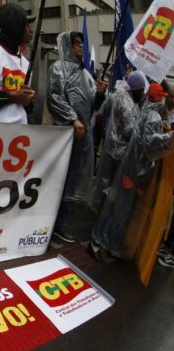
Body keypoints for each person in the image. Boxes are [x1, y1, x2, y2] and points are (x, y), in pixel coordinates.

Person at [91, 82, 173, 262]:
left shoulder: (145, 110)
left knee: (119, 207)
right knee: (119, 209)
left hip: (131, 168)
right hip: (134, 170)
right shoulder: (153, 116)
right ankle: (100, 242)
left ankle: (108, 242)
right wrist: (169, 137)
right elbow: (150, 144)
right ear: (158, 99)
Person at [47, 31, 108, 243]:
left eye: (82, 43)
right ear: (68, 46)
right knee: (59, 180)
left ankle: (61, 224)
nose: (81, 47)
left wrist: (99, 94)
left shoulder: (86, 75)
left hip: (83, 137)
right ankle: (49, 225)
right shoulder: (57, 69)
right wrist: (73, 119)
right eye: (77, 44)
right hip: (66, 134)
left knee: (73, 181)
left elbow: (92, 106)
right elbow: (54, 97)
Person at [92, 70, 147, 214]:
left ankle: (101, 209)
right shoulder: (128, 104)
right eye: (142, 91)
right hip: (120, 153)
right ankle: (106, 213)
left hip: (110, 146)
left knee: (106, 182)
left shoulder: (117, 95)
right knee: (114, 185)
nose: (142, 94)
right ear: (136, 90)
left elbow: (102, 112)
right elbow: (130, 131)